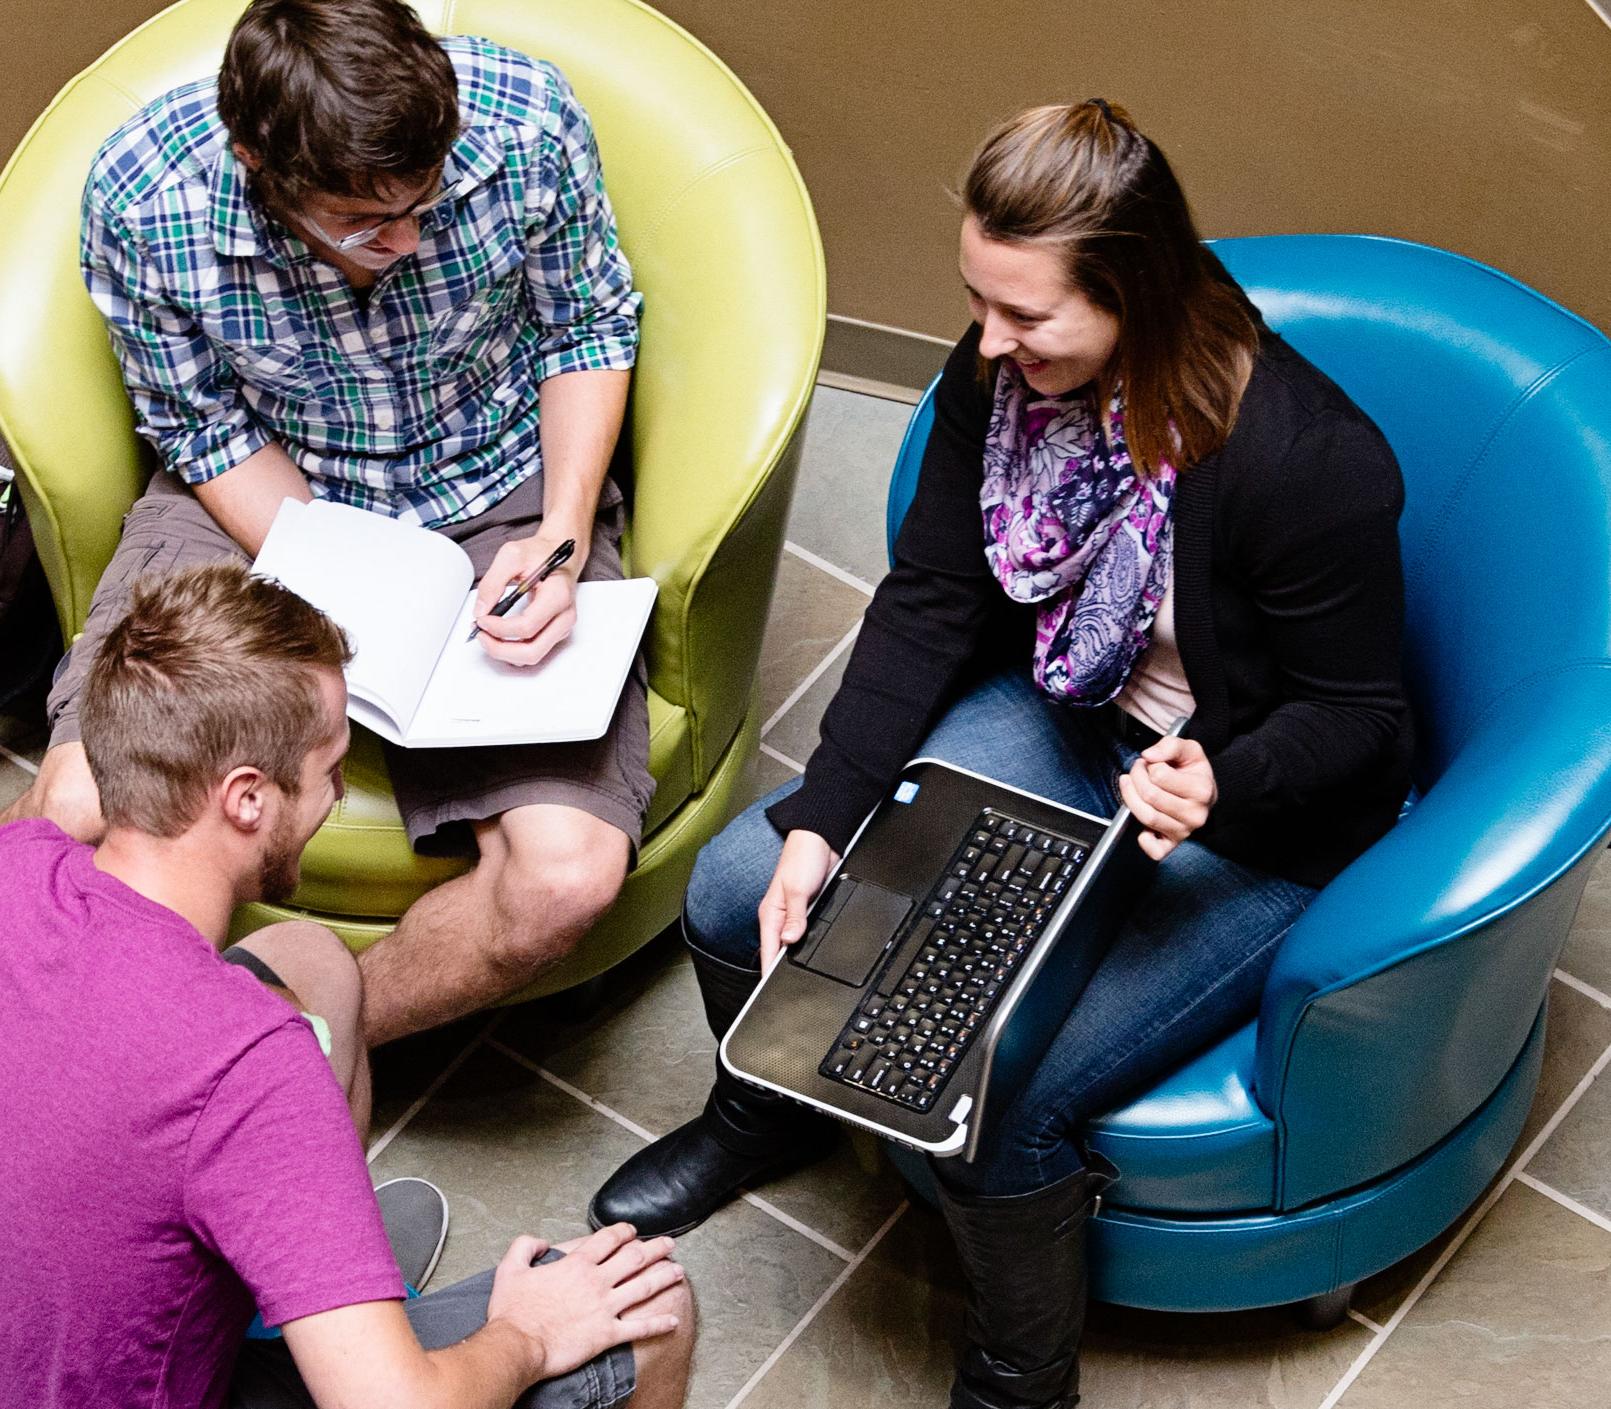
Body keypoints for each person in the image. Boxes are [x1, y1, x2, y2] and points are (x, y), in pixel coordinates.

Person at [591, 100, 1414, 1407]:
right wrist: (824, 814)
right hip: (1068, 717)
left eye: (1024, 316)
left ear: (1131, 292)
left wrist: (1221, 778)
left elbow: (1363, 722)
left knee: (997, 1099)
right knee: (734, 891)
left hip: (1246, 821)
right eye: (978, 301)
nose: (986, 343)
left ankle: (1021, 1376)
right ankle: (766, 1114)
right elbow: (927, 597)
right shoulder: (1002, 378)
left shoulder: (1304, 461)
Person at [0, 0, 652, 1046]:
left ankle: (273, 1056)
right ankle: (62, 1063)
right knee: (74, 803)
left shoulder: (528, 120)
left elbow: (588, 325)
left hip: (499, 486)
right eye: (364, 221)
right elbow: (202, 428)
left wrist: (563, 540)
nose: (407, 240)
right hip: (259, 494)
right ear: (259, 161)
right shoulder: (145, 195)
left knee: (566, 878)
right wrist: (349, 592)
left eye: (427, 202)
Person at [0, 561, 695, 1409]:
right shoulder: (248, 1062)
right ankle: (340, 1329)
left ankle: (307, 1280)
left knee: (313, 963)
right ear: (247, 799)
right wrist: (527, 1332)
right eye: (330, 766)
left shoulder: (20, 859)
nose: (336, 790)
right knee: (651, 1310)